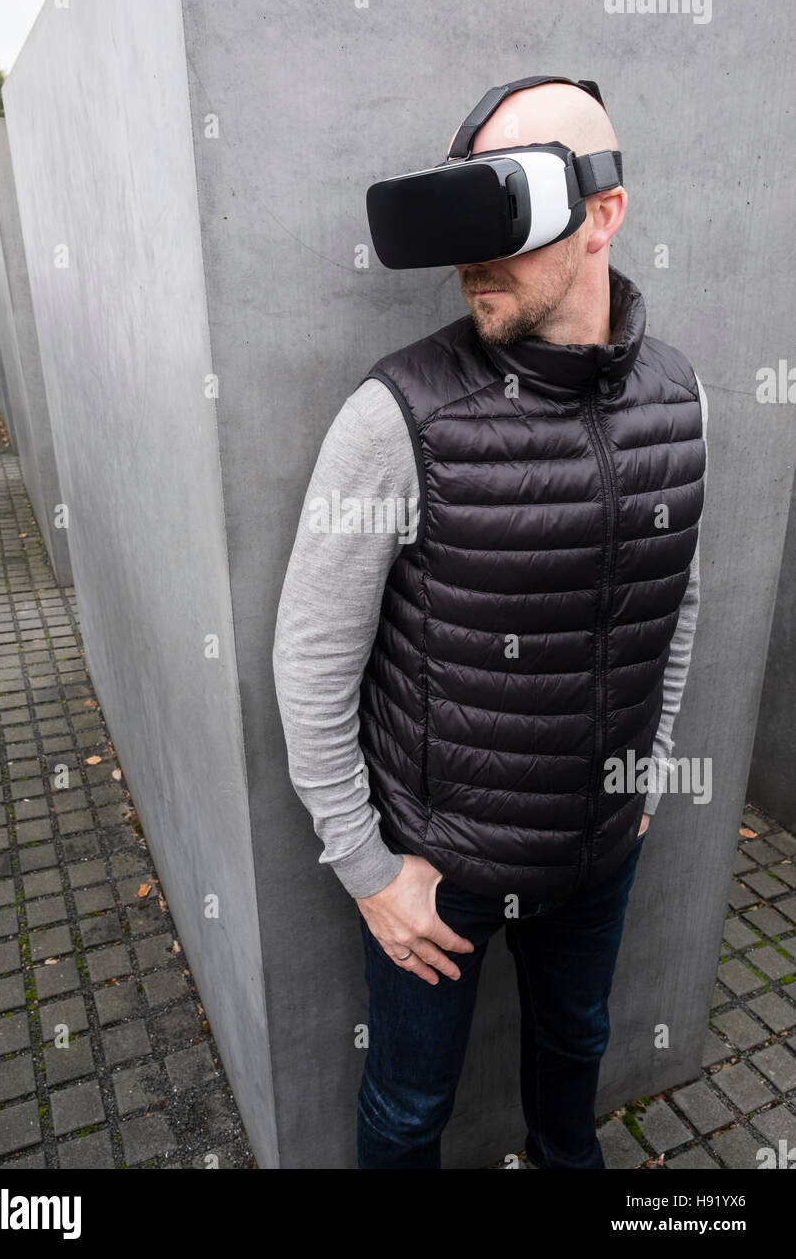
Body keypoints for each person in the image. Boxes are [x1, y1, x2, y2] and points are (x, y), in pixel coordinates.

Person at [273, 77, 707, 1169]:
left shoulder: (679, 395)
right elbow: (310, 658)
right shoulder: (397, 415)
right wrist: (369, 868)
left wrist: (644, 774)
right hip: (441, 861)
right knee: (408, 1110)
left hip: (596, 845)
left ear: (602, 213)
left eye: (502, 213)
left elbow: (674, 594)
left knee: (575, 1052)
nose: (474, 258)